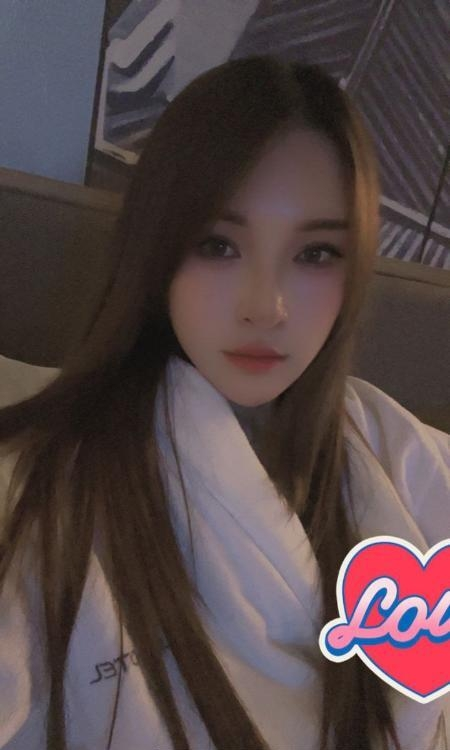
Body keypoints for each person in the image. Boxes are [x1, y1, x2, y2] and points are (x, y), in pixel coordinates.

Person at [0, 55, 448, 750]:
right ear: (157, 250)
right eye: (218, 245)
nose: (266, 307)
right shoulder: (37, 497)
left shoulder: (393, 449)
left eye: (316, 254)